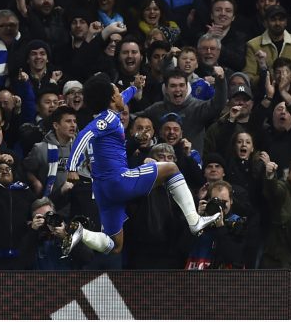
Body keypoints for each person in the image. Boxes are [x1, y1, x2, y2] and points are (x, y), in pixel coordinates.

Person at [63, 73, 220, 256]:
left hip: (102, 190)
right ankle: (194, 221)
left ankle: (82, 234)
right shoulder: (108, 120)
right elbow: (84, 136)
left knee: (115, 246)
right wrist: (72, 167)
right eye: (118, 92)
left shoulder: (108, 114)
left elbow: (124, 98)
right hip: (118, 180)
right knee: (171, 168)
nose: (122, 95)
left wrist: (135, 87)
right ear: (112, 99)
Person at [185, 180, 248, 269]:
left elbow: (233, 257)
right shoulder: (200, 220)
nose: (220, 206)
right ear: (208, 201)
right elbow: (181, 248)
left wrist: (221, 227)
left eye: (224, 202)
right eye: (216, 202)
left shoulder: (238, 223)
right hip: (196, 276)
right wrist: (196, 219)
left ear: (231, 201)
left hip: (224, 279)